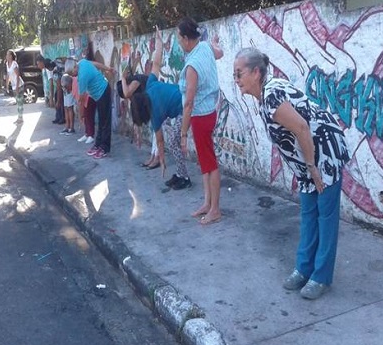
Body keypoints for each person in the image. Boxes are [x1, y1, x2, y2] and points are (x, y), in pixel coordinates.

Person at [233, 47, 350, 300]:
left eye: (239, 73)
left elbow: (302, 128)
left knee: (325, 214)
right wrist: (305, 167)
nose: (237, 79)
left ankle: (320, 277)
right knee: (308, 211)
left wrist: (312, 168)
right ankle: (303, 268)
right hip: (308, 159)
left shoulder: (272, 93)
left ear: (256, 72)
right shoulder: (264, 96)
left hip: (324, 153)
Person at [130, 27, 192, 190]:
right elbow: (156, 63)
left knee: (172, 141)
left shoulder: (155, 114)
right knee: (172, 140)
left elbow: (160, 141)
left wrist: (163, 162)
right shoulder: (149, 85)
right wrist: (158, 41)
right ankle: (180, 174)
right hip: (184, 98)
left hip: (184, 107)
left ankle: (184, 178)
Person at [177, 17, 224, 225]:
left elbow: (188, 103)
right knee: (205, 162)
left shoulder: (192, 66)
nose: (178, 41)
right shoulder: (204, 47)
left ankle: (215, 210)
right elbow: (219, 53)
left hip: (200, 117)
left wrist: (183, 134)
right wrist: (214, 43)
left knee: (210, 163)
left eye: (179, 38)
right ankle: (207, 203)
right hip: (209, 113)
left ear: (187, 39)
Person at [65, 57, 114, 159]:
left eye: (71, 73)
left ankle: (104, 148)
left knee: (104, 122)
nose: (72, 76)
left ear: (74, 67)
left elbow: (81, 101)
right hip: (98, 94)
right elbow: (96, 64)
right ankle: (98, 145)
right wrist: (107, 68)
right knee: (101, 122)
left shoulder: (82, 77)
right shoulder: (82, 62)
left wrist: (81, 116)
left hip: (103, 92)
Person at [117, 53, 160, 170]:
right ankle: (153, 157)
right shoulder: (135, 94)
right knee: (154, 132)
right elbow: (135, 109)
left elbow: (127, 93)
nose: (127, 98)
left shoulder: (135, 81)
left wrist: (123, 78)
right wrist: (138, 131)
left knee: (157, 132)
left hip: (158, 101)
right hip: (152, 102)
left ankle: (157, 158)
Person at [6, 49, 23, 124]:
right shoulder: (7, 64)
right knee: (17, 102)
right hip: (13, 86)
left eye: (8, 54)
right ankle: (19, 117)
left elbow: (18, 75)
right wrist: (6, 86)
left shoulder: (14, 64)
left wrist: (17, 87)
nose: (7, 56)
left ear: (11, 56)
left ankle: (20, 118)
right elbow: (8, 75)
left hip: (19, 85)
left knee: (20, 102)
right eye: (7, 54)